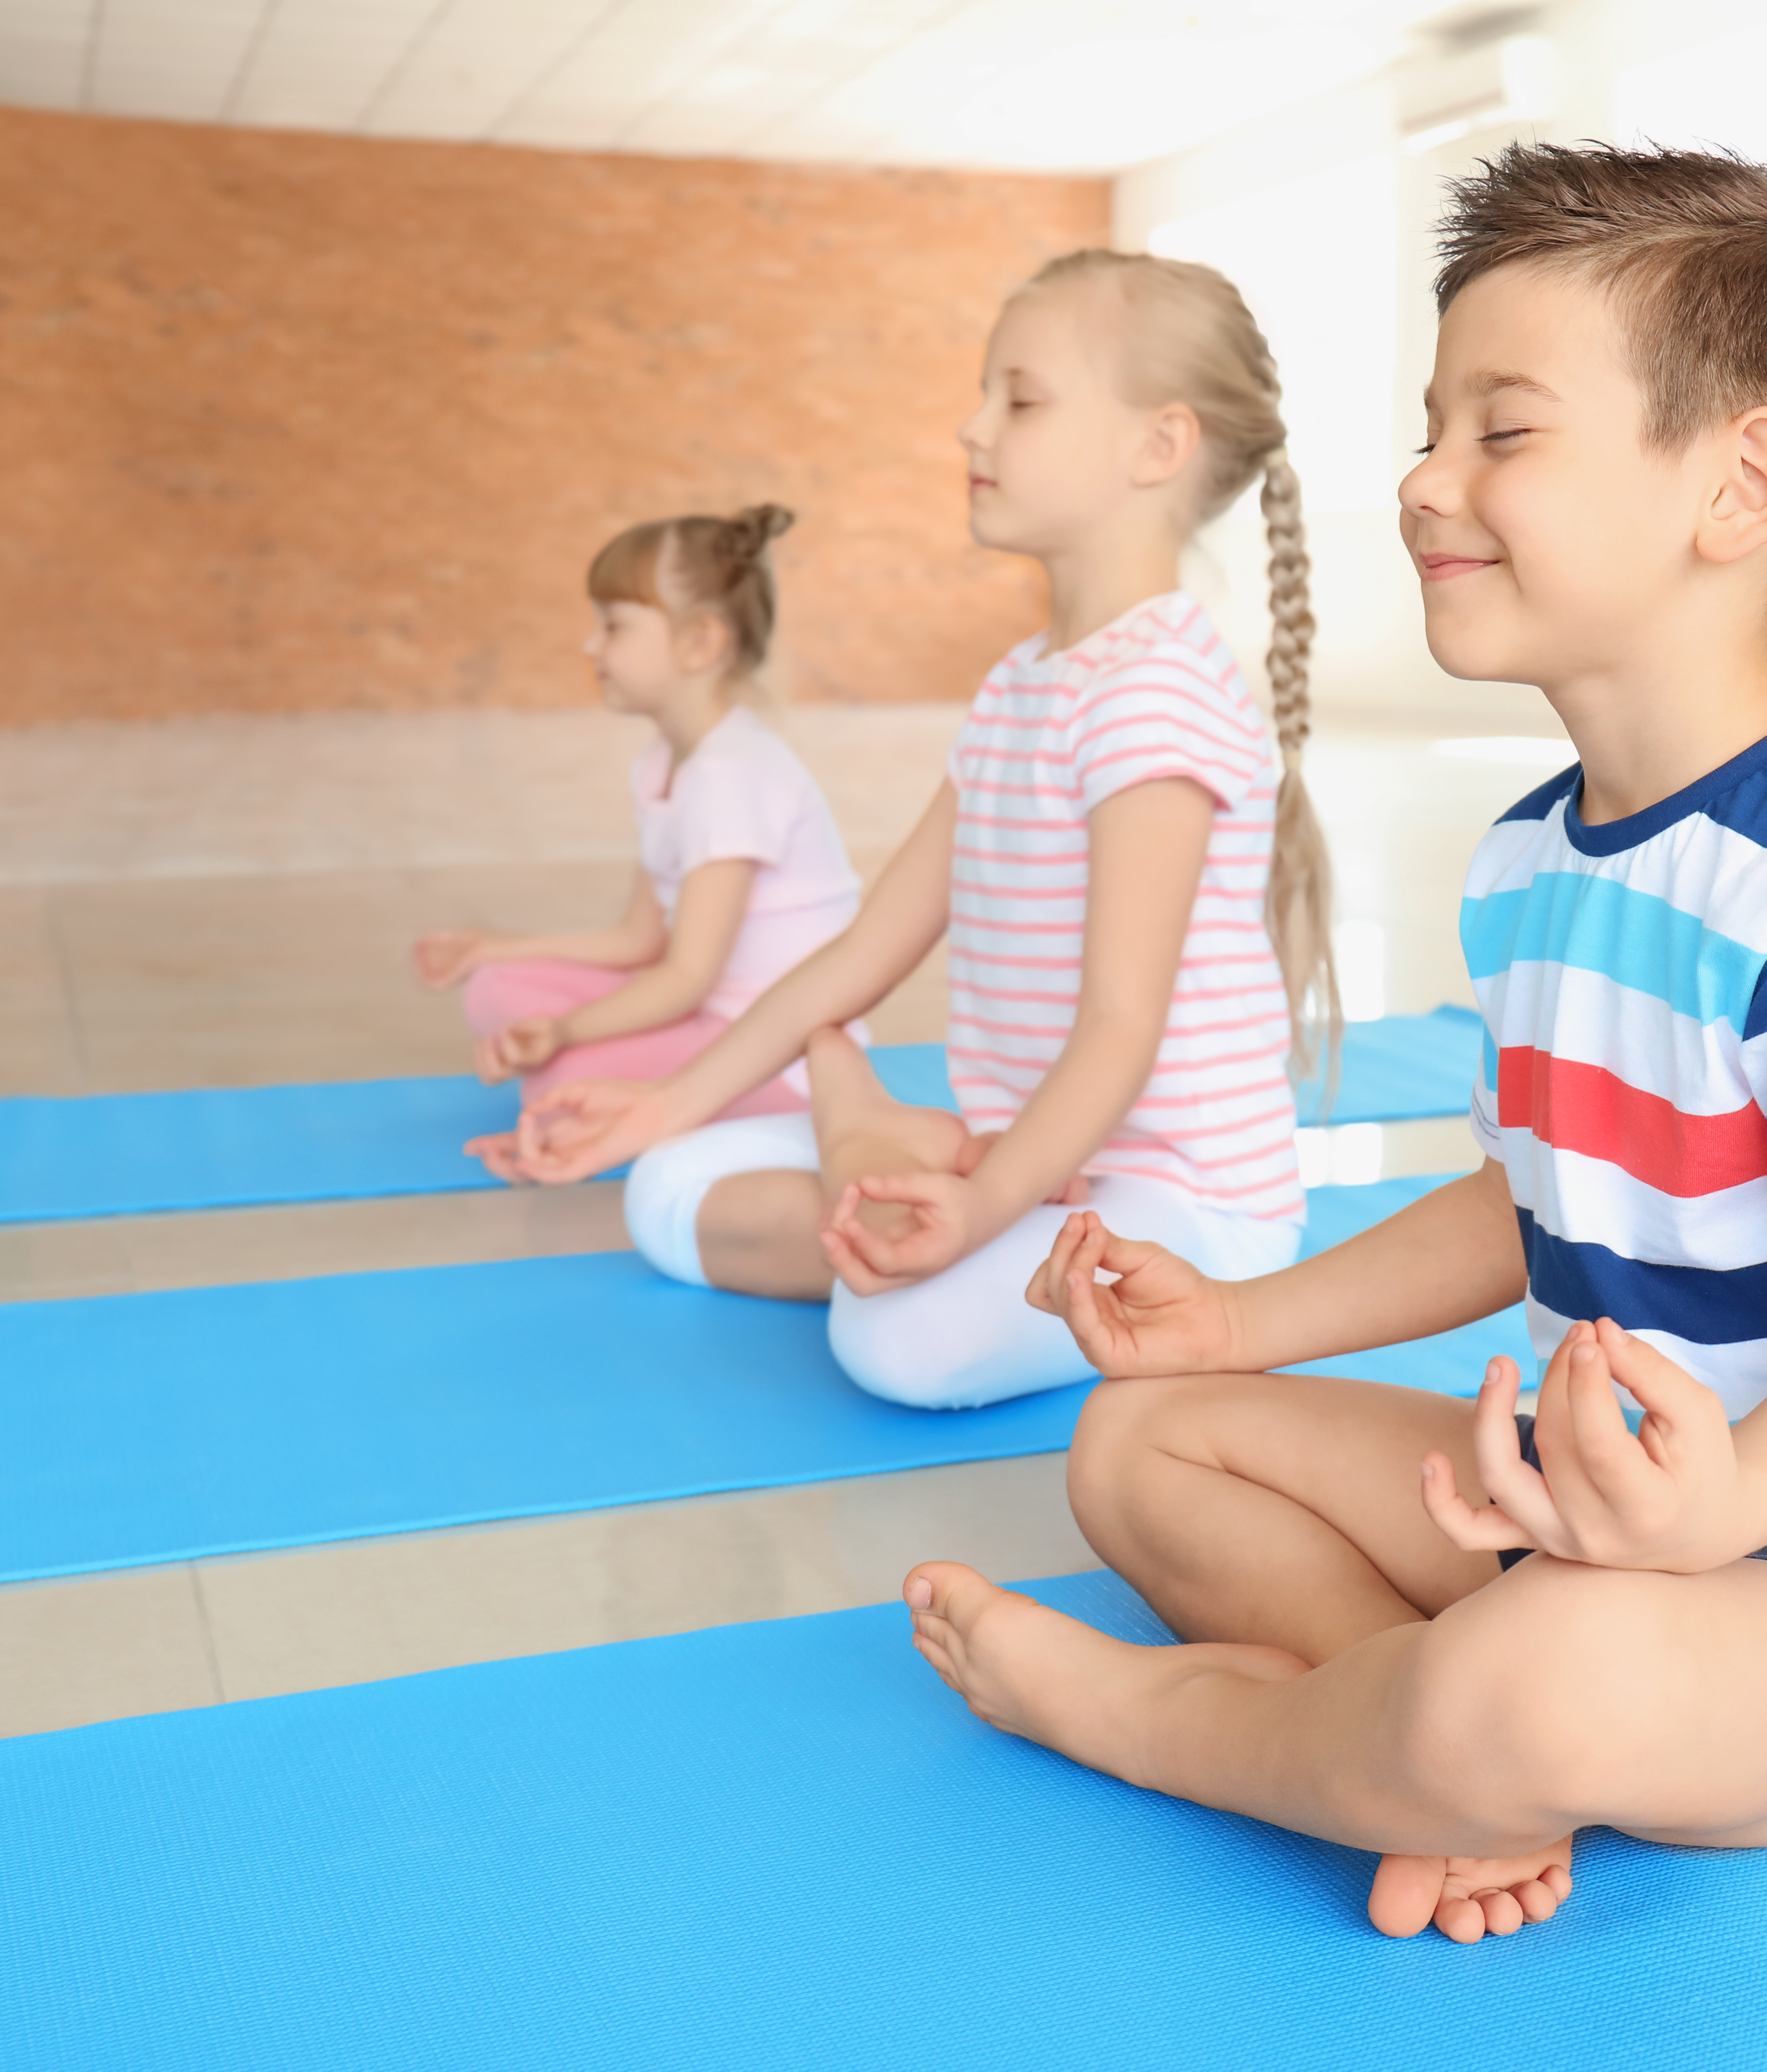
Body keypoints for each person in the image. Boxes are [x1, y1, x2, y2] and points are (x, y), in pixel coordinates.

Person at [898, 144, 1767, 1943]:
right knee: (1141, 1440)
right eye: (1431, 423)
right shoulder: (1536, 856)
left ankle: (1159, 1722)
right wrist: (1235, 1323)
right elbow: (1521, 1194)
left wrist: (1718, 1516)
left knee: (1543, 1679)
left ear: (1741, 485)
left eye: (1503, 432)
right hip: (1573, 1512)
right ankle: (1432, 1763)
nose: (1426, 480)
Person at [481, 252, 1338, 1413]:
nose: (971, 427)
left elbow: (1120, 1025)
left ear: (1159, 446)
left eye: (1020, 400)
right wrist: (663, 1103)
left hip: (1180, 1201)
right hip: (1024, 1161)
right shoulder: (1022, 686)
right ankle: (879, 1156)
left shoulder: (1155, 696)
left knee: (901, 1344)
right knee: (670, 1189)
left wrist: (980, 1212)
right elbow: (860, 953)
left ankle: (878, 1150)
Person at [413, 506, 860, 1123]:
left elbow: (687, 977)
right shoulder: (664, 763)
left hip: (776, 1053)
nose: (589, 644)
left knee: (563, 1081)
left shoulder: (732, 776)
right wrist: (494, 945)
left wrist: (565, 1032)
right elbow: (638, 939)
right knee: (499, 987)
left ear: (700, 641)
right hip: (705, 1016)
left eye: (614, 626)